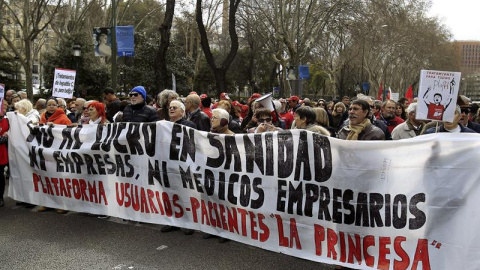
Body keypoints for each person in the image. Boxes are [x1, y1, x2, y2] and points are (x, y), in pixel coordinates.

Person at [38, 97, 72, 213]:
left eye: (54, 105)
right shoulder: (42, 118)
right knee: (47, 178)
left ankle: (63, 204)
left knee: (60, 179)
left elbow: (69, 134)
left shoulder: (64, 119)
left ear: (58, 107)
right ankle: (48, 203)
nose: (51, 107)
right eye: (49, 105)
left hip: (59, 153)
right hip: (46, 153)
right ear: (46, 107)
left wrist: (55, 128)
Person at [0, 100, 9, 207]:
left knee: (0, 176)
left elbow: (9, 135)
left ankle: (0, 197)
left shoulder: (7, 120)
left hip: (1, 153)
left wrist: (5, 138)